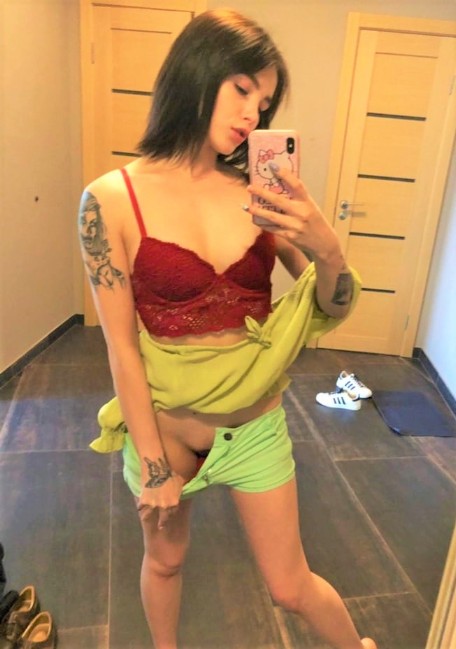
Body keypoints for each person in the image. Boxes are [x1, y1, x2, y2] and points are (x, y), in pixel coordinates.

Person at [78, 8, 377, 649]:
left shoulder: (259, 194)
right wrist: (154, 465)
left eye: (263, 104)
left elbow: (332, 304)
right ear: (196, 71)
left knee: (291, 587)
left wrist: (326, 247)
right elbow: (121, 346)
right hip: (164, 432)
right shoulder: (108, 200)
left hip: (254, 428)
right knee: (165, 562)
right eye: (242, 89)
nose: (251, 115)